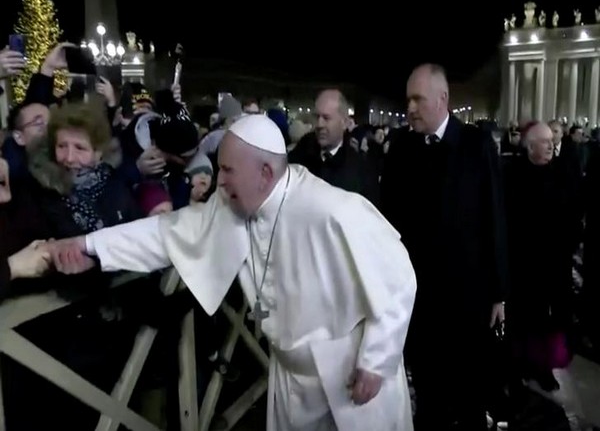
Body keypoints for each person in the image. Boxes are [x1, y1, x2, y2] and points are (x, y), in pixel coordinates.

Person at [50, 114, 417, 431]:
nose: (219, 181)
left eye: (227, 170)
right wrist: (90, 246)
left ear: (265, 172)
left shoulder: (334, 210)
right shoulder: (234, 204)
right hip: (291, 378)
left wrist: (376, 360)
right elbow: (166, 234)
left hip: (351, 373)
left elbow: (398, 278)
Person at [381, 63, 508, 431]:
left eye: (418, 99)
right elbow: (389, 221)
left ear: (442, 99)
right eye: (408, 100)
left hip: (468, 298)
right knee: (429, 393)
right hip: (418, 297)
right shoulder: (401, 148)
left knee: (469, 395)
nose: (410, 108)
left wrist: (499, 292)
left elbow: (495, 216)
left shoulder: (476, 144)